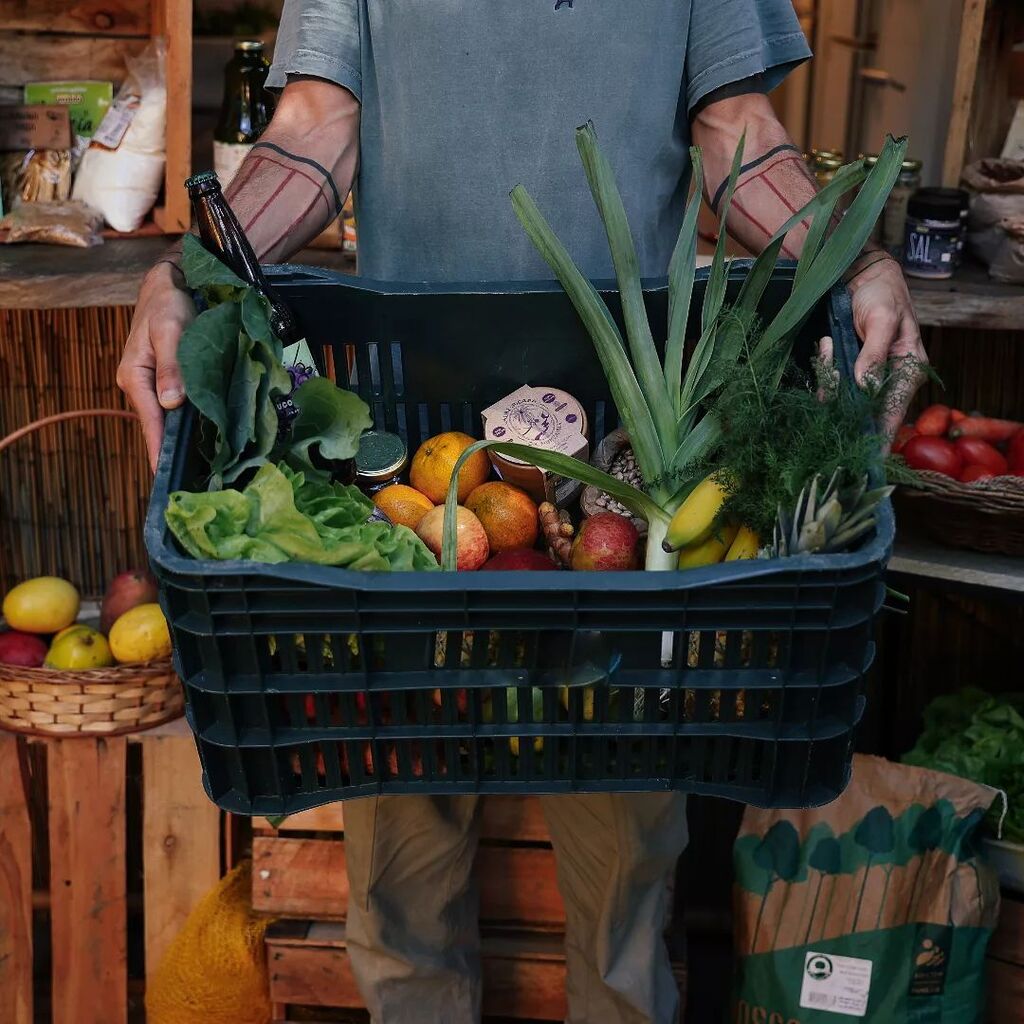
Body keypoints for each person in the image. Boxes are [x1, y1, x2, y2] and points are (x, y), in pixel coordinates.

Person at [119, 4, 925, 1021]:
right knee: (401, 868)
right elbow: (318, 121)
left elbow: (739, 131)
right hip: (416, 446)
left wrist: (855, 260)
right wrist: (186, 272)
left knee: (628, 876)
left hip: (627, 469)